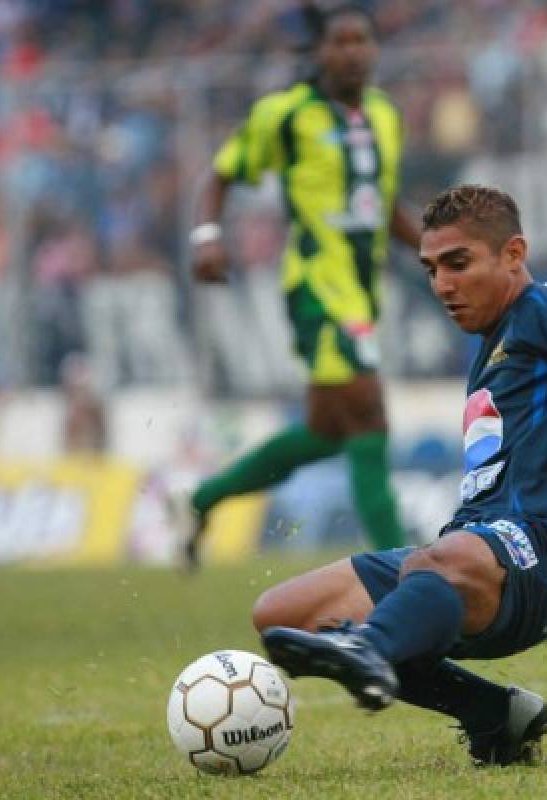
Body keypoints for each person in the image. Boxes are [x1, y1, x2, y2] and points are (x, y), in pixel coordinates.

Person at [254, 185, 547, 765]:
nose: (442, 286)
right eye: (431, 269)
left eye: (458, 264)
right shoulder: (496, 349)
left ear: (513, 253)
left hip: (536, 566)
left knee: (438, 563)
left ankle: (370, 648)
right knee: (283, 614)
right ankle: (494, 715)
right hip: (483, 553)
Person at [179, 4, 421, 568]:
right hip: (316, 287)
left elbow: (382, 207)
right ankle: (405, 572)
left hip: (362, 292)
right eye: (340, 41)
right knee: (369, 416)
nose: (353, 51)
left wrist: (436, 254)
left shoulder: (385, 115)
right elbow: (220, 174)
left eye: (363, 40)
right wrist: (207, 237)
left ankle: (200, 499)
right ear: (317, 51)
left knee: (327, 431)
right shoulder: (286, 115)